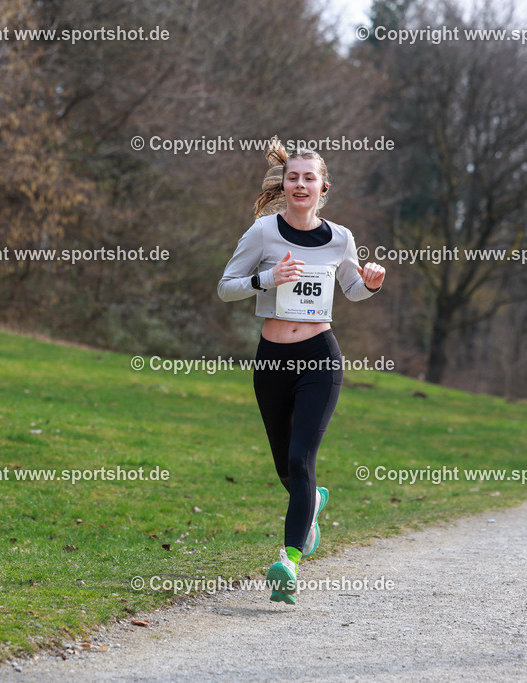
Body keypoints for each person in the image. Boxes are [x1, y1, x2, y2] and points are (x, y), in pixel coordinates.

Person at [217, 137, 385, 605]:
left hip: (319, 357)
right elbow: (226, 288)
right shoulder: (262, 233)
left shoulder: (340, 238)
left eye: (309, 178)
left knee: (300, 458)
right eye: (293, 177)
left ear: (323, 187)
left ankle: (288, 562)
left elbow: (352, 289)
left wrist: (371, 282)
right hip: (271, 361)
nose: (300, 184)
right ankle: (311, 502)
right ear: (283, 184)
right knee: (285, 469)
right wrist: (268, 279)